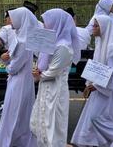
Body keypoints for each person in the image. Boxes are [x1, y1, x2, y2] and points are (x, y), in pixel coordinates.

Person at [30, 8, 81, 147]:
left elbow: (53, 71)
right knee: (42, 124)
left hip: (55, 90)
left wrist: (39, 75)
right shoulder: (52, 42)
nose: (45, 25)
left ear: (56, 23)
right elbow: (43, 63)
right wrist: (38, 71)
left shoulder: (63, 47)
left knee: (52, 127)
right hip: (46, 87)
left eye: (47, 22)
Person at [0, 7, 38, 147]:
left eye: (11, 17)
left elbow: (14, 68)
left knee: (15, 112)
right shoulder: (21, 37)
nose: (9, 20)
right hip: (19, 80)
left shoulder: (23, 42)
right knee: (16, 112)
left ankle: (12, 140)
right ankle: (16, 140)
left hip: (19, 82)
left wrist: (5, 62)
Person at [71, 15, 113, 147]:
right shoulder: (100, 43)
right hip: (98, 88)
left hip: (106, 90)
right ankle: (94, 142)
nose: (93, 28)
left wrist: (97, 85)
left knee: (97, 117)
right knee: (95, 117)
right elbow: (96, 67)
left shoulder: (112, 47)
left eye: (96, 25)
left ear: (104, 27)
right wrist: (90, 83)